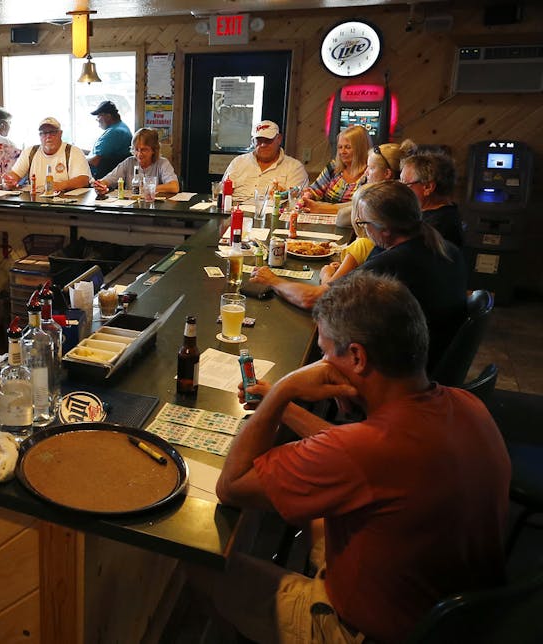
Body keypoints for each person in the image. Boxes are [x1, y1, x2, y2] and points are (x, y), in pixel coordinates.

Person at [205, 271, 508, 643]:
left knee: (199, 561)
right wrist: (282, 408)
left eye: (324, 353)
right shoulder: (466, 405)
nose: (319, 364)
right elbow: (362, 454)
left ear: (357, 357)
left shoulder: (359, 452)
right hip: (451, 618)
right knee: (315, 514)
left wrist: (282, 392)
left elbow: (232, 486)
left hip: (365, 632)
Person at [252, 181, 466, 370]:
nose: (364, 230)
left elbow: (313, 299)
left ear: (385, 229)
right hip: (432, 356)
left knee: (300, 342)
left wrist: (272, 280)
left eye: (364, 224)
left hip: (400, 369)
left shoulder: (394, 262)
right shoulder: (442, 246)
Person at [321, 142, 405, 284]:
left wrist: (325, 274)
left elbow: (328, 289)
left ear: (387, 174)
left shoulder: (366, 243)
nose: (366, 172)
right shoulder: (402, 197)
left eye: (371, 168)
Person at [221, 120, 309, 201]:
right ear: (252, 142)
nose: (263, 145)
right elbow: (222, 194)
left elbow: (297, 202)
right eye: (259, 141)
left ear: (279, 139)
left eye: (268, 140)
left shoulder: (295, 167)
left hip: (272, 215)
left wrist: (283, 194)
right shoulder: (238, 162)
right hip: (235, 211)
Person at [2, 117, 91, 192]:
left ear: (60, 134)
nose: (48, 136)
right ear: (40, 136)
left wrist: (60, 185)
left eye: (52, 132)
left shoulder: (74, 151)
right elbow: (15, 174)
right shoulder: (30, 152)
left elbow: (83, 179)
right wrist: (9, 181)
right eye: (44, 133)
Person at [400, 148, 465, 249]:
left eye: (405, 183)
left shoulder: (436, 226)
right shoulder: (443, 213)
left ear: (428, 187)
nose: (400, 189)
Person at [299, 125, 370, 215]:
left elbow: (361, 207)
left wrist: (321, 208)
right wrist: (308, 195)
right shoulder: (333, 167)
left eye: (348, 147)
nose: (342, 152)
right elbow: (315, 190)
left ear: (360, 149)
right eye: (340, 147)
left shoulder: (369, 174)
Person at [92, 128, 179, 196]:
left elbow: (174, 187)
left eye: (144, 150)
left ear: (154, 150)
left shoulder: (162, 163)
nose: (139, 154)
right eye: (136, 149)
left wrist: (147, 188)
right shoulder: (129, 162)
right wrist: (101, 186)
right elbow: (108, 180)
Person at [86, 101, 133, 180]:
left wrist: (79, 159)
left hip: (99, 177)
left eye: (99, 116)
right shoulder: (119, 128)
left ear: (108, 116)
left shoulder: (115, 132)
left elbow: (95, 161)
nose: (97, 119)